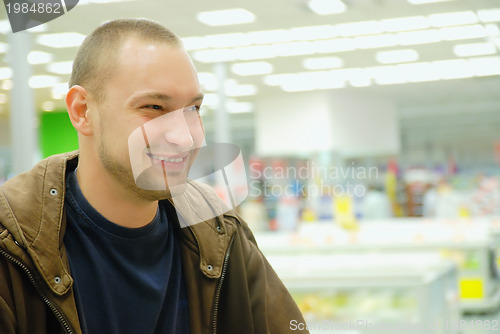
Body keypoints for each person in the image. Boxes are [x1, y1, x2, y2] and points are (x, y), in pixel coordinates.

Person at [0, 19, 308, 334]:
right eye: (154, 107)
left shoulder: (219, 231)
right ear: (82, 111)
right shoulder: (11, 244)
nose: (186, 138)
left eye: (194, 109)